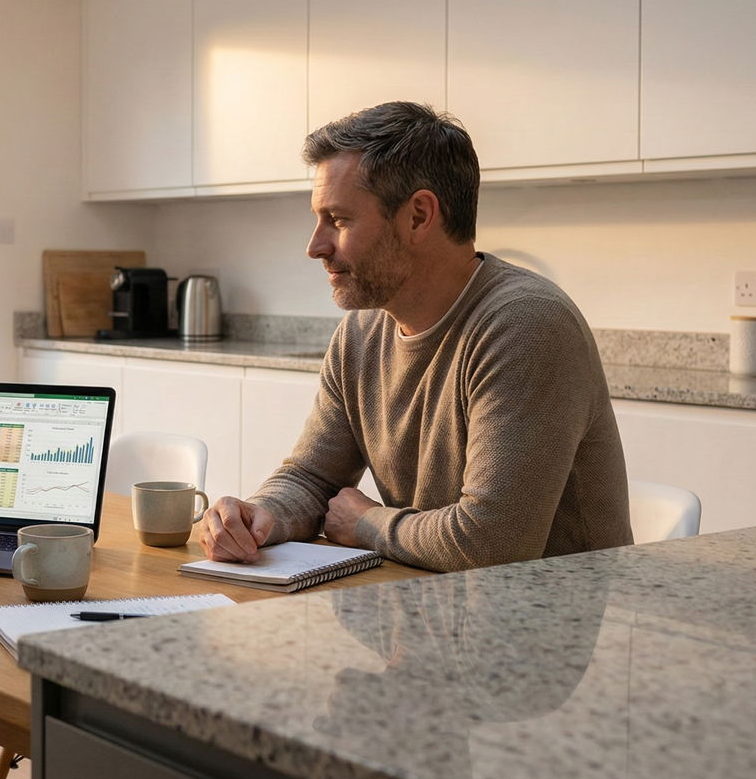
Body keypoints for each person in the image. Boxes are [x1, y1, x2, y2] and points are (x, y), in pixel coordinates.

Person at [200, 101, 631, 573]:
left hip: (540, 628)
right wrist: (260, 517)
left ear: (419, 216)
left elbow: (492, 543)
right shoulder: (362, 333)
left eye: (339, 220)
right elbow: (310, 478)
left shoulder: (526, 325)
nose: (315, 246)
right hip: (430, 611)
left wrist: (367, 524)